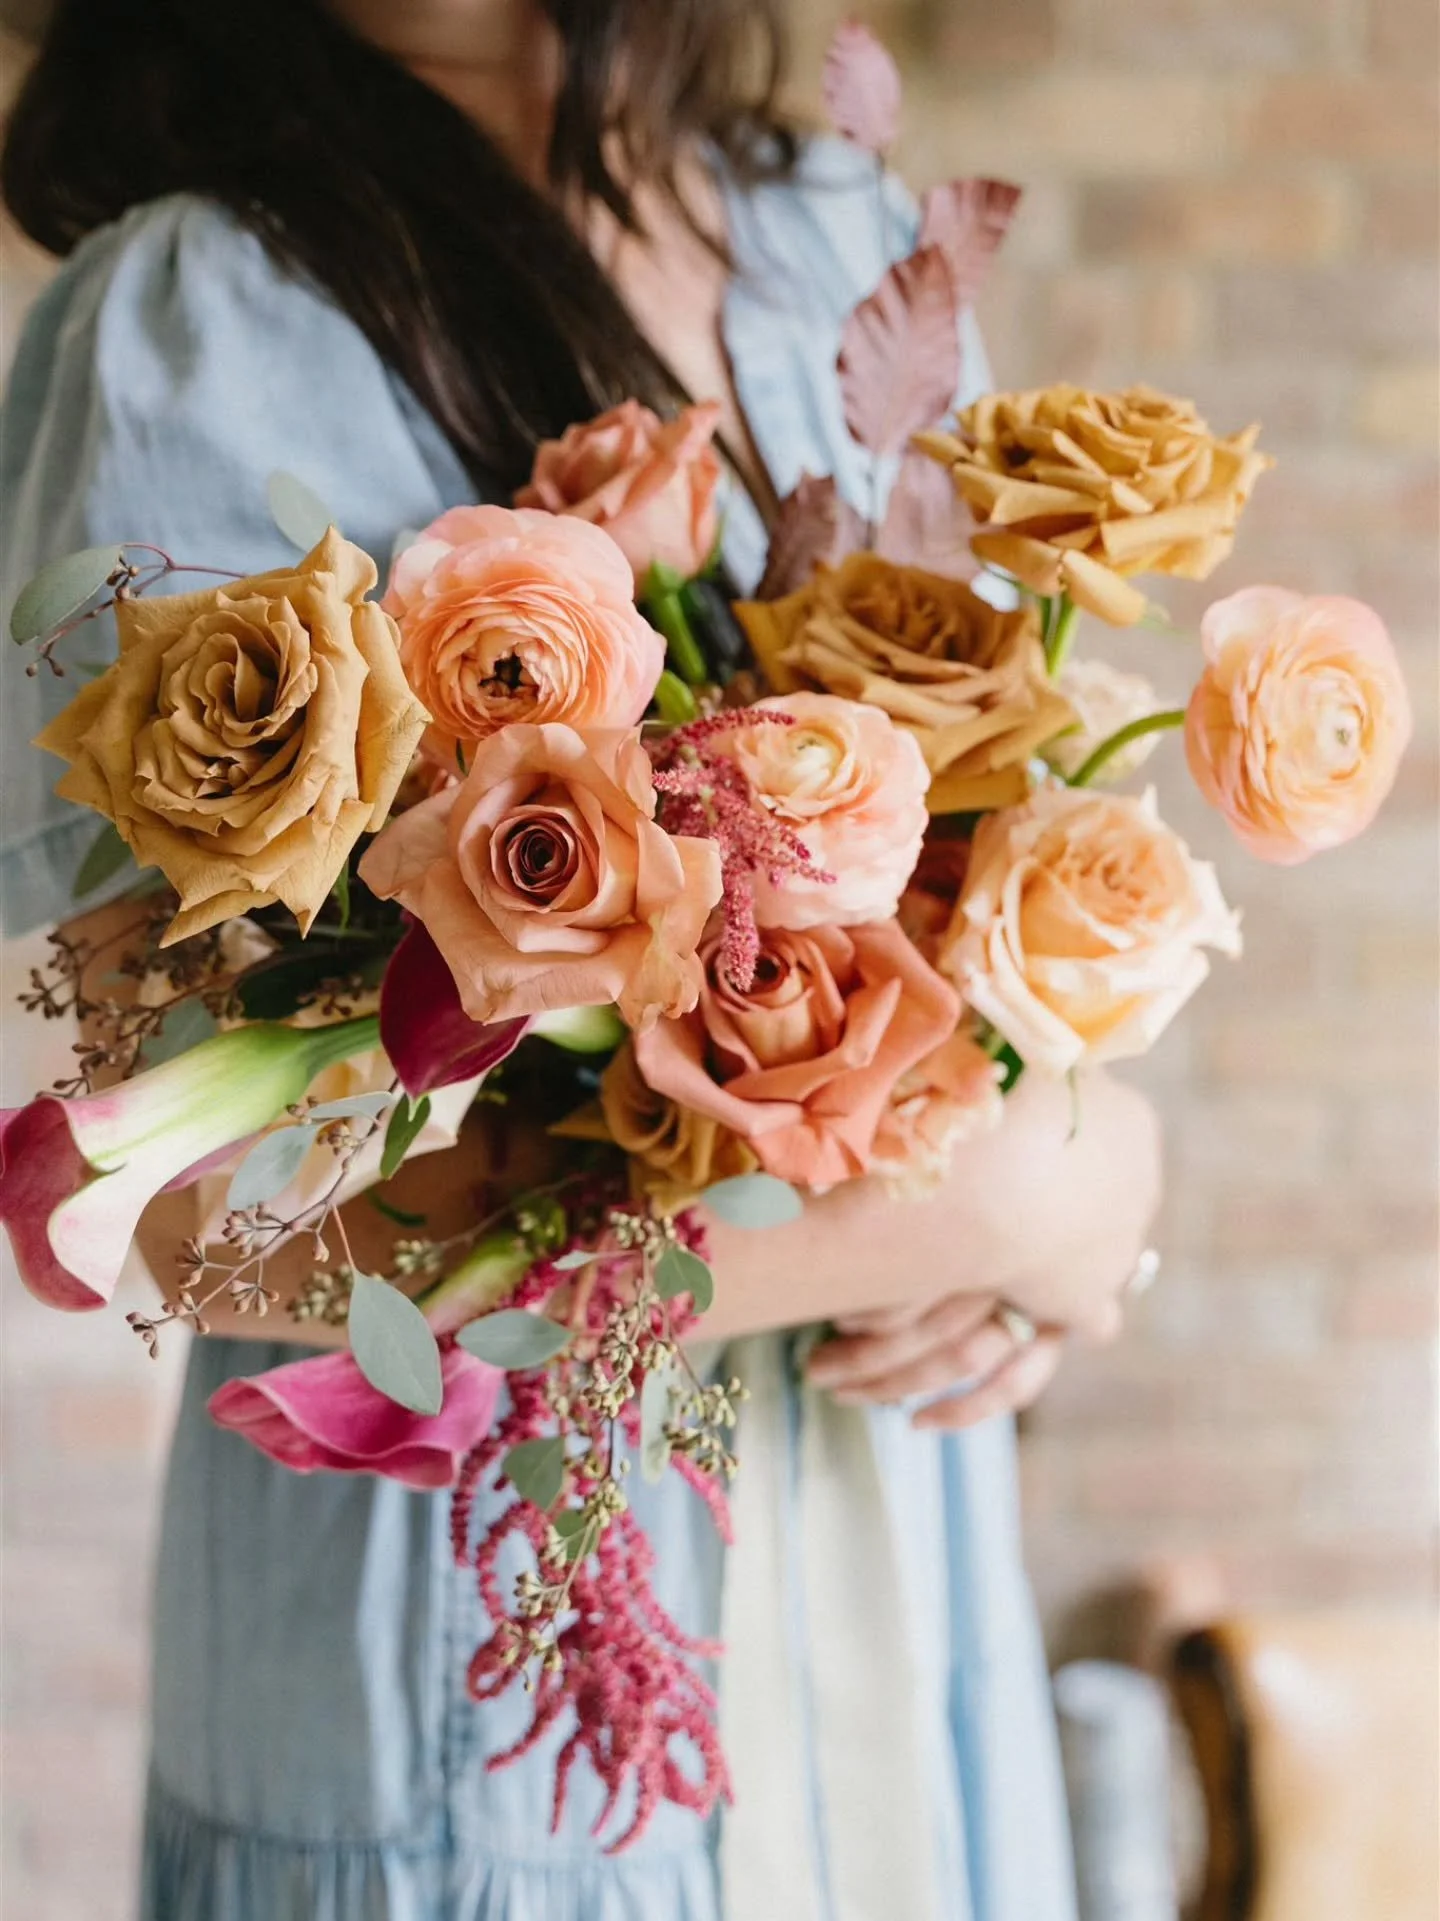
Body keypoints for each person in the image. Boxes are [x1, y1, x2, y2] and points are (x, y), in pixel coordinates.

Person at [0, 3, 1162, 1915]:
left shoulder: (826, 229)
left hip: (891, 1590)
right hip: (475, 1670)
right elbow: (154, 1178)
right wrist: (1019, 1192)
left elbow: (992, 842)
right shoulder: (201, 306)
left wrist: (1075, 1160)